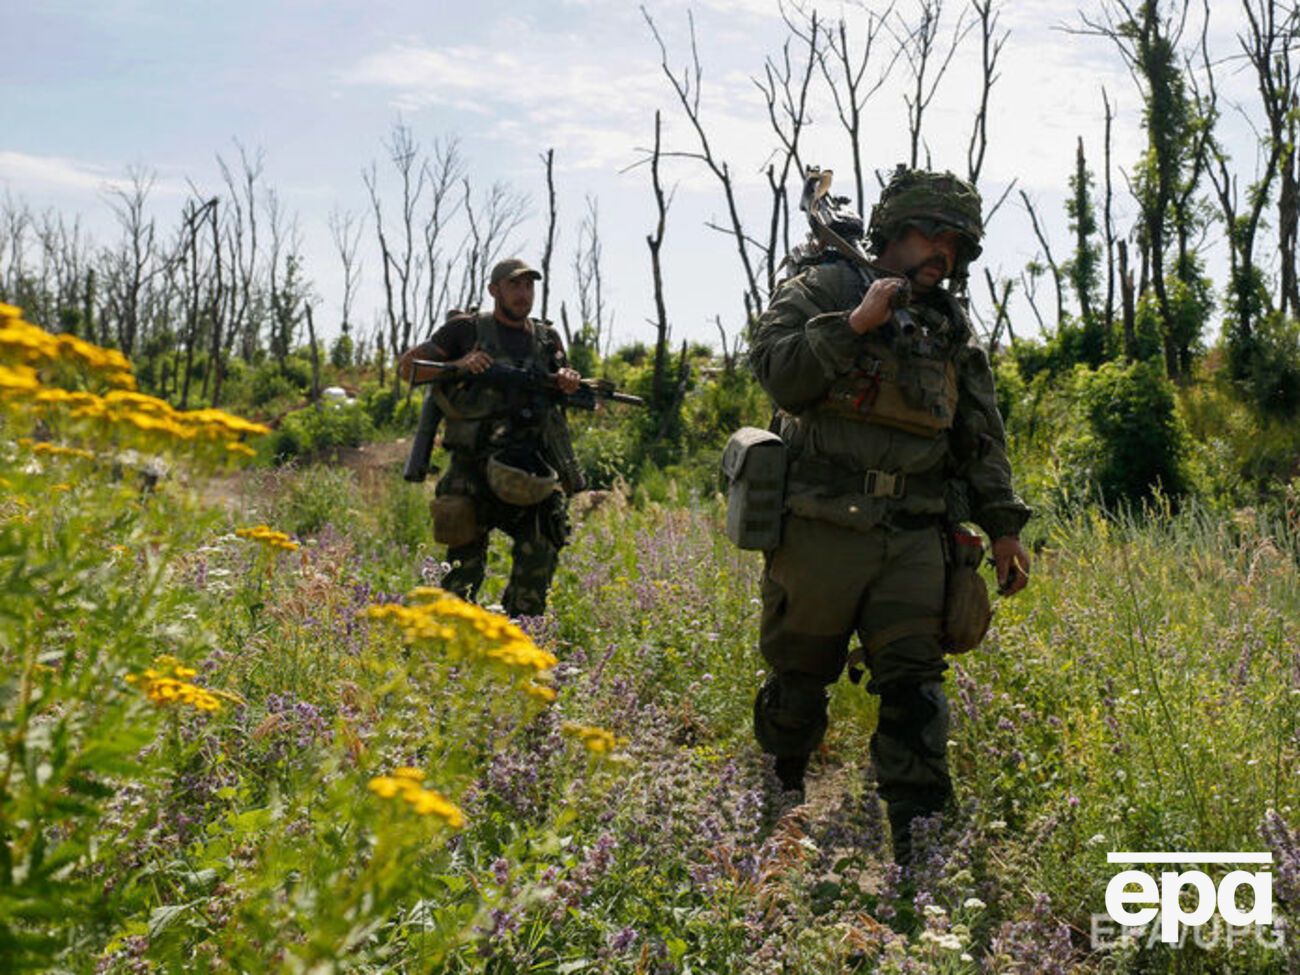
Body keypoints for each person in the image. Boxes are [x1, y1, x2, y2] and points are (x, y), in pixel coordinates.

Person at [748, 168, 1032, 864]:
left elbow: (979, 436)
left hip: (913, 534)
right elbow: (778, 372)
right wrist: (853, 327)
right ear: (892, 232)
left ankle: (919, 845)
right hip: (819, 528)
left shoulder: (950, 327)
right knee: (798, 683)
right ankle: (781, 800)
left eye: (954, 243)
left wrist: (1004, 527)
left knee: (916, 689)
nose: (941, 252)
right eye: (928, 234)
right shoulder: (826, 287)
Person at [398, 257, 583, 618]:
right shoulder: (464, 331)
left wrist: (568, 381)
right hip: (472, 470)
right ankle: (450, 650)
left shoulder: (546, 339)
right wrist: (458, 366)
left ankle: (520, 638)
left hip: (529, 467)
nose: (523, 293)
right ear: (494, 290)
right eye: (514, 285)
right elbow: (409, 368)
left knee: (542, 548)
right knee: (462, 572)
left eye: (529, 285)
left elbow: (562, 388)